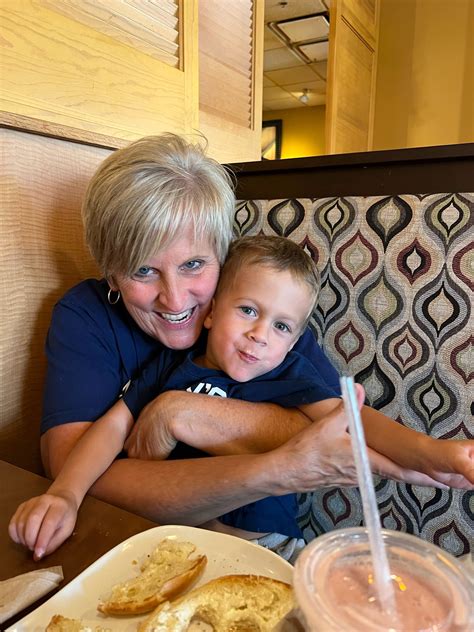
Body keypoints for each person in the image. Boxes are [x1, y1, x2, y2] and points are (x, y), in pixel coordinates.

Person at [16, 133, 471, 559]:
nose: (175, 299)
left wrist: (431, 453)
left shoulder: (263, 319)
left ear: (221, 255)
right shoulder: (94, 320)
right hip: (153, 544)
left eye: (194, 264)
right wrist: (67, 492)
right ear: (111, 273)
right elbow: (80, 459)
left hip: (266, 544)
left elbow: (345, 421)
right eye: (143, 270)